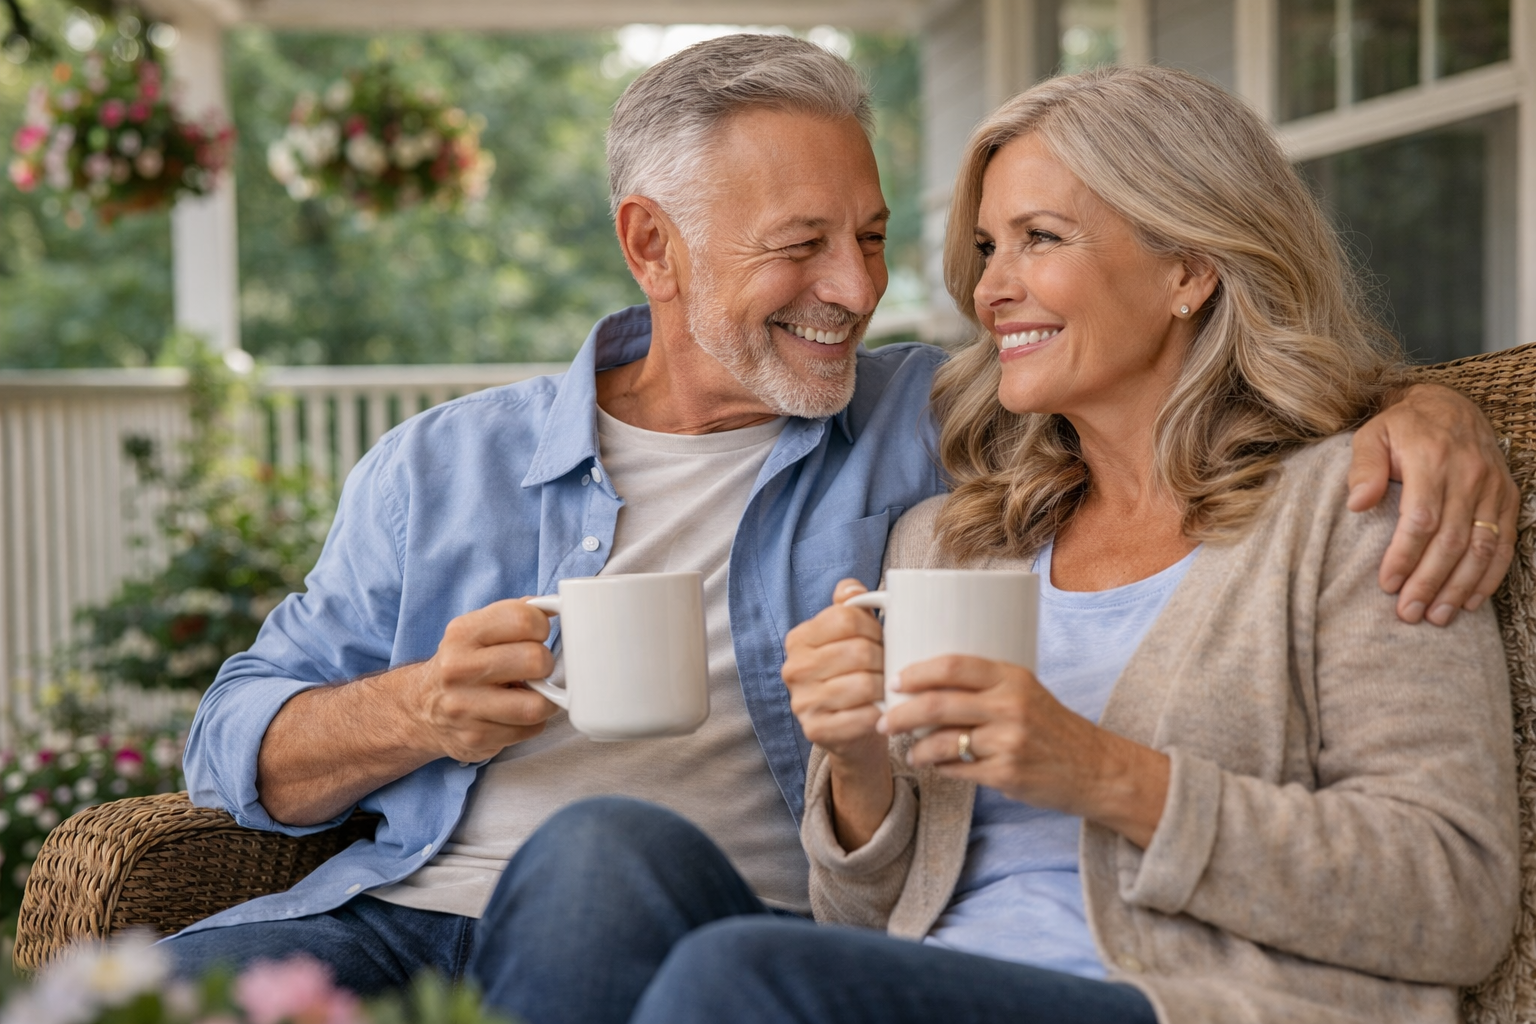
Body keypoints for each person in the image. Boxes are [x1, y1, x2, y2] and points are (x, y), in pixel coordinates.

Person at [164, 38, 1512, 1021]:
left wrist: (1439, 416)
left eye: (872, 238)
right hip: (411, 910)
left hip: (704, 924)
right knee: (123, 993)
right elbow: (233, 738)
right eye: (802, 244)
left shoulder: (933, 420)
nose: (862, 290)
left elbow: (1217, 385)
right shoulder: (445, 467)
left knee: (606, 858)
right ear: (653, 246)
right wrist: (416, 709)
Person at [617, 64, 1519, 1024]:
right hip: (941, 993)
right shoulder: (951, 544)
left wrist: (1098, 772)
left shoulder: (1359, 509)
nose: (991, 289)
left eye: (1040, 238)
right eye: (986, 247)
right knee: (619, 858)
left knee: (737, 975)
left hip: (1186, 1006)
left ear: (1189, 268)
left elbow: (1456, 902)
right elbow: (864, 922)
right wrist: (856, 764)